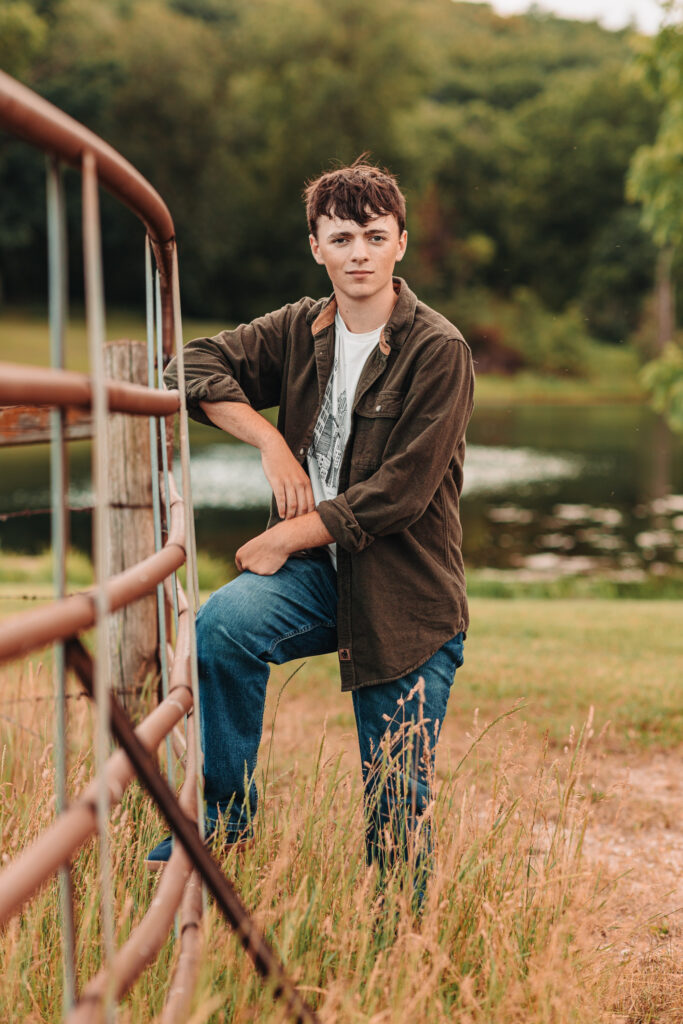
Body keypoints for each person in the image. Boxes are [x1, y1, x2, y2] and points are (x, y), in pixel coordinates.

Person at [147, 159, 475, 893]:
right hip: (311, 582)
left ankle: (397, 968)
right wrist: (269, 442)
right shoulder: (300, 327)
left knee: (395, 809)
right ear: (315, 247)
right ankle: (223, 819)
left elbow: (399, 494)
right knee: (222, 626)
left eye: (372, 235)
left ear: (399, 244)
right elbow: (187, 365)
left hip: (404, 599)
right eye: (341, 237)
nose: (357, 251)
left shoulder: (438, 350)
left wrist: (283, 534)